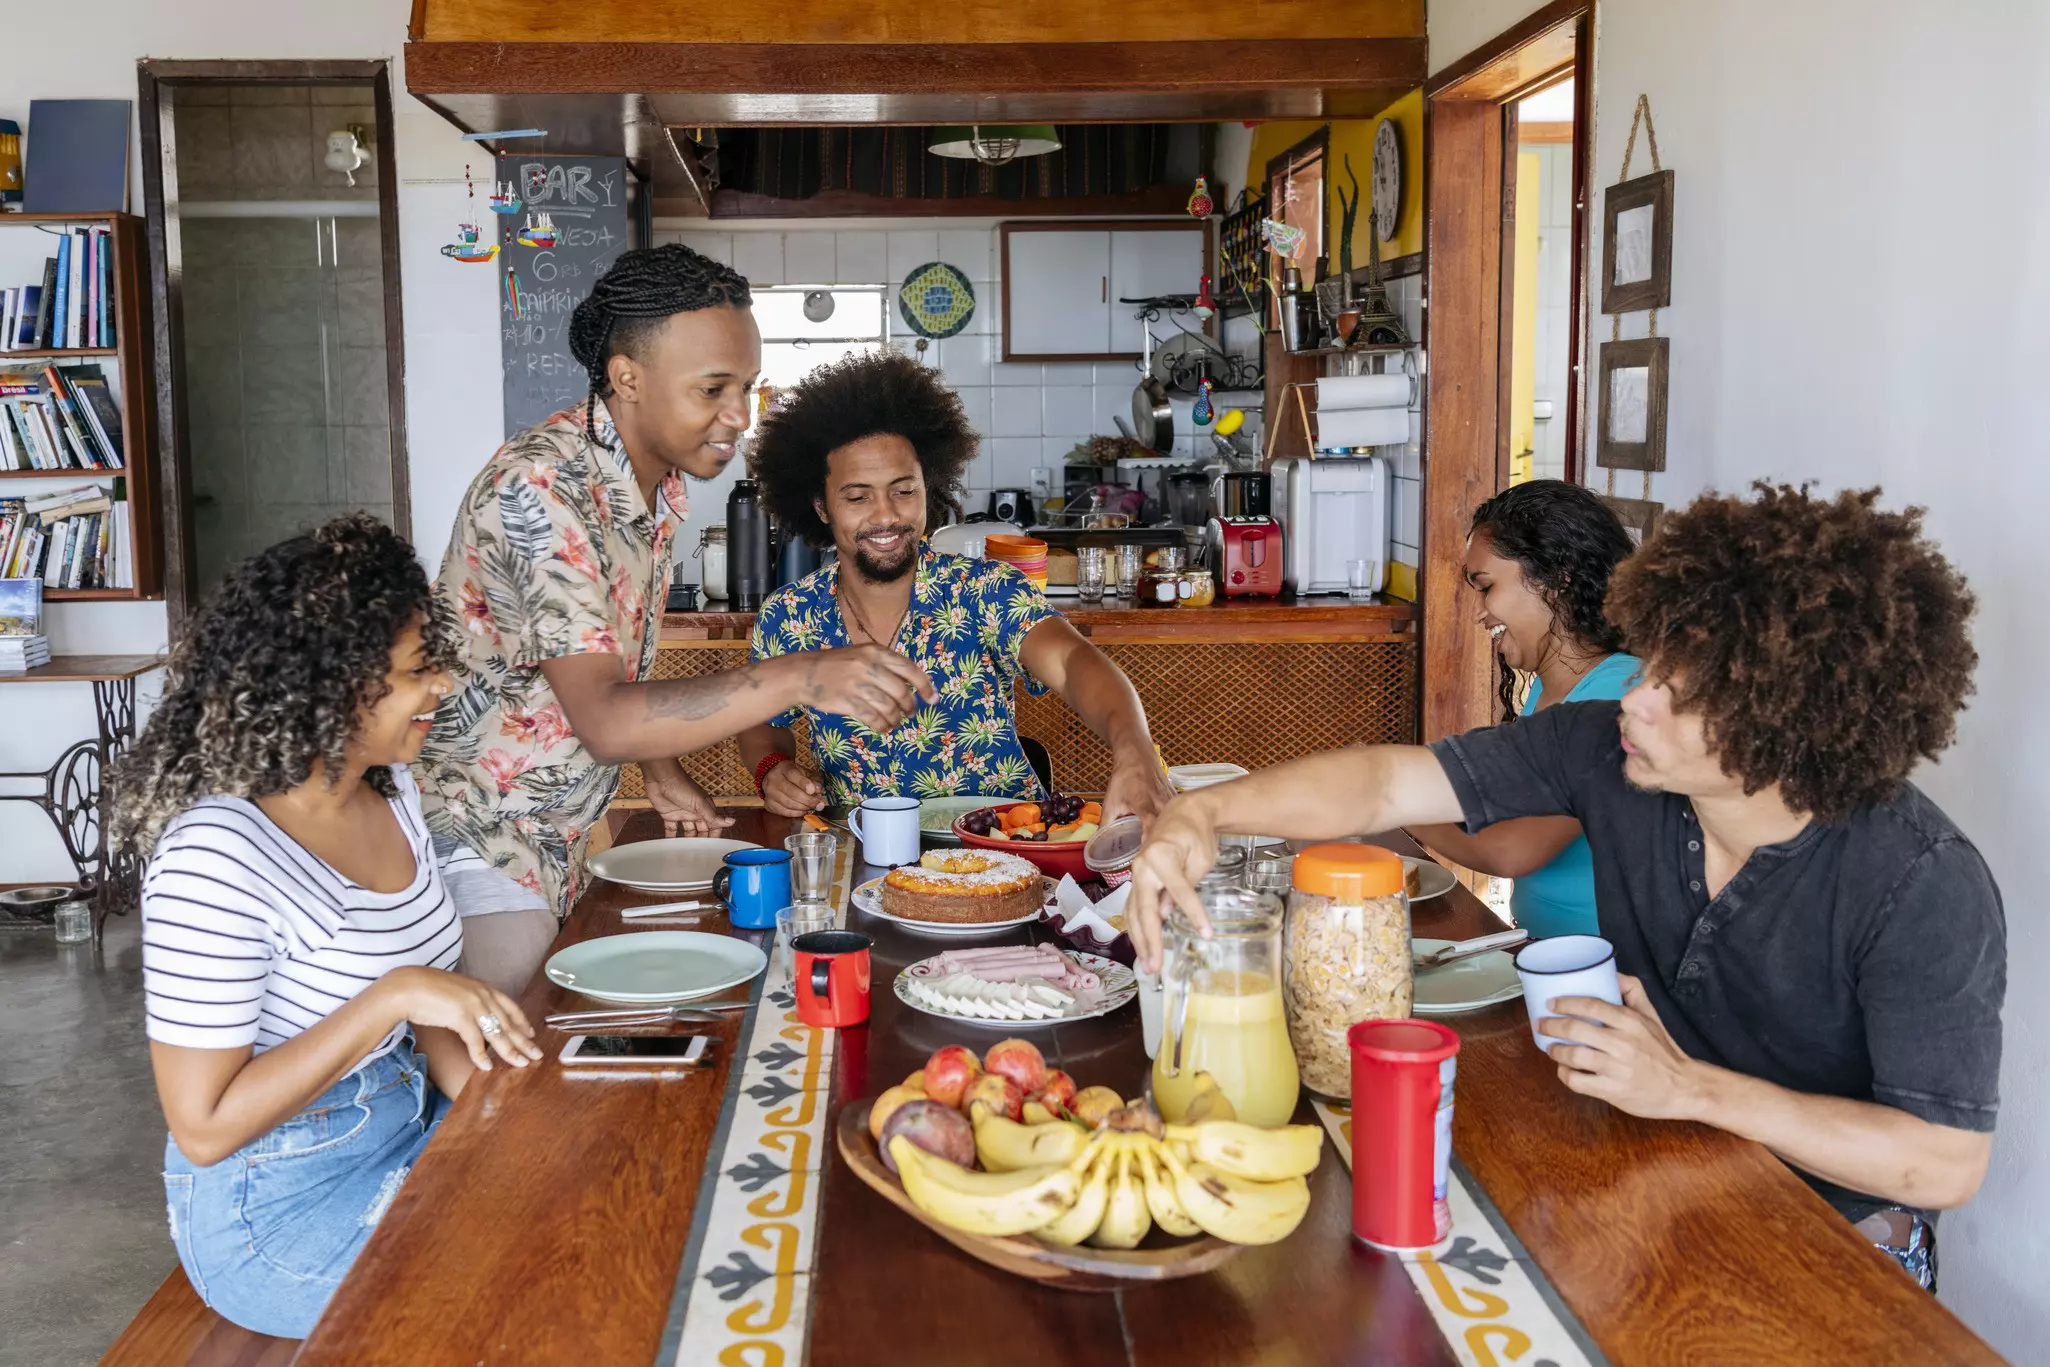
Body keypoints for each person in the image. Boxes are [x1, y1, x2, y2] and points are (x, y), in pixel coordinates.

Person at [1128, 483, 2002, 1289]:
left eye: (1676, 692)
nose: (1636, 699)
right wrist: (1203, 815)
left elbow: (1944, 1160)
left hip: (1833, 1248)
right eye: (1651, 665)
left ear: (1783, 722)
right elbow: (1386, 783)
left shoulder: (1918, 881)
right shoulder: (1602, 753)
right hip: (1662, 1176)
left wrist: (1692, 1087)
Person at [418, 245, 935, 992]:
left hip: (552, 838)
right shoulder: (541, 489)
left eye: (748, 388)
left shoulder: (646, 489)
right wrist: (805, 672)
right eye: (714, 389)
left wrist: (659, 768)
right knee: (507, 1089)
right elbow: (604, 719)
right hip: (483, 842)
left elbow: (604, 662)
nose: (739, 416)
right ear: (627, 376)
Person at [112, 516, 546, 1338]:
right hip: (273, 1209)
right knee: (523, 1290)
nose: (443, 687)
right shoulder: (219, 851)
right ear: (336, 683)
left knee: (573, 1211)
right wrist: (393, 997)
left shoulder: (390, 792)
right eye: (420, 670)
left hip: (400, 1122)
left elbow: (433, 1015)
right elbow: (203, 1128)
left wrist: (512, 1119)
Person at [738, 349, 1173, 825]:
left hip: (1006, 848)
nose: (886, 515)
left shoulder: (986, 591)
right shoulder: (790, 615)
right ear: (822, 506)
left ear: (931, 487)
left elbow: (1072, 663)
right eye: (858, 496)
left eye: (904, 491)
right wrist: (771, 768)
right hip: (863, 849)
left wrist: (1135, 748)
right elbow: (761, 718)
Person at [1409, 480, 1639, 938]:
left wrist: (1397, 807)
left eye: (1487, 586)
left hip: (1612, 972)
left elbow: (1512, 850)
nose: (1482, 613)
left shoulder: (1619, 694)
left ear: (1556, 580)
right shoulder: (1549, 687)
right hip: (1549, 952)